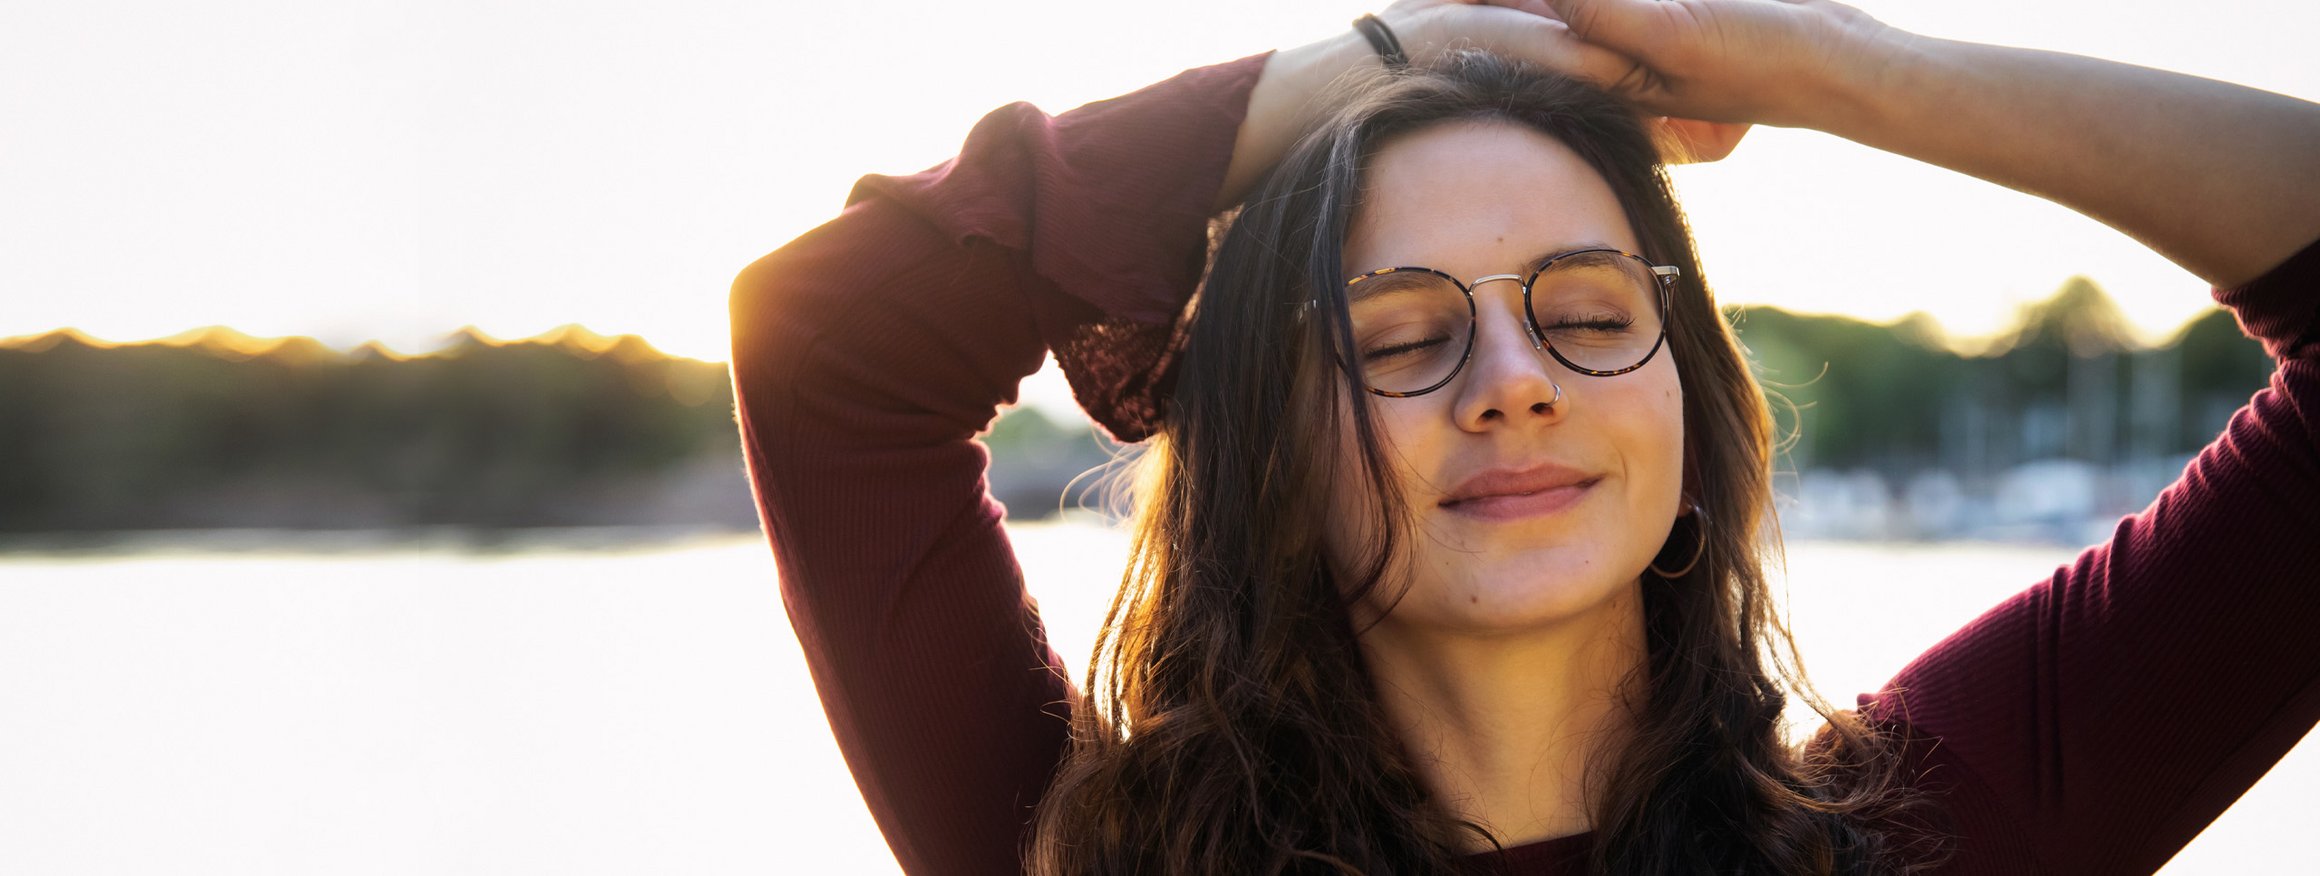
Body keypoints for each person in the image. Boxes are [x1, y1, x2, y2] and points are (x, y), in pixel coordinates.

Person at [729, 0, 2320, 872]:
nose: (1515, 379)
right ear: (1262, 451)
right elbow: (827, 347)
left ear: (1686, 390)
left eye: (1586, 306)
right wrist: (1386, 50)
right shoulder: (1086, 856)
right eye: (1401, 334)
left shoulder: (1922, 832)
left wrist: (1835, 63)